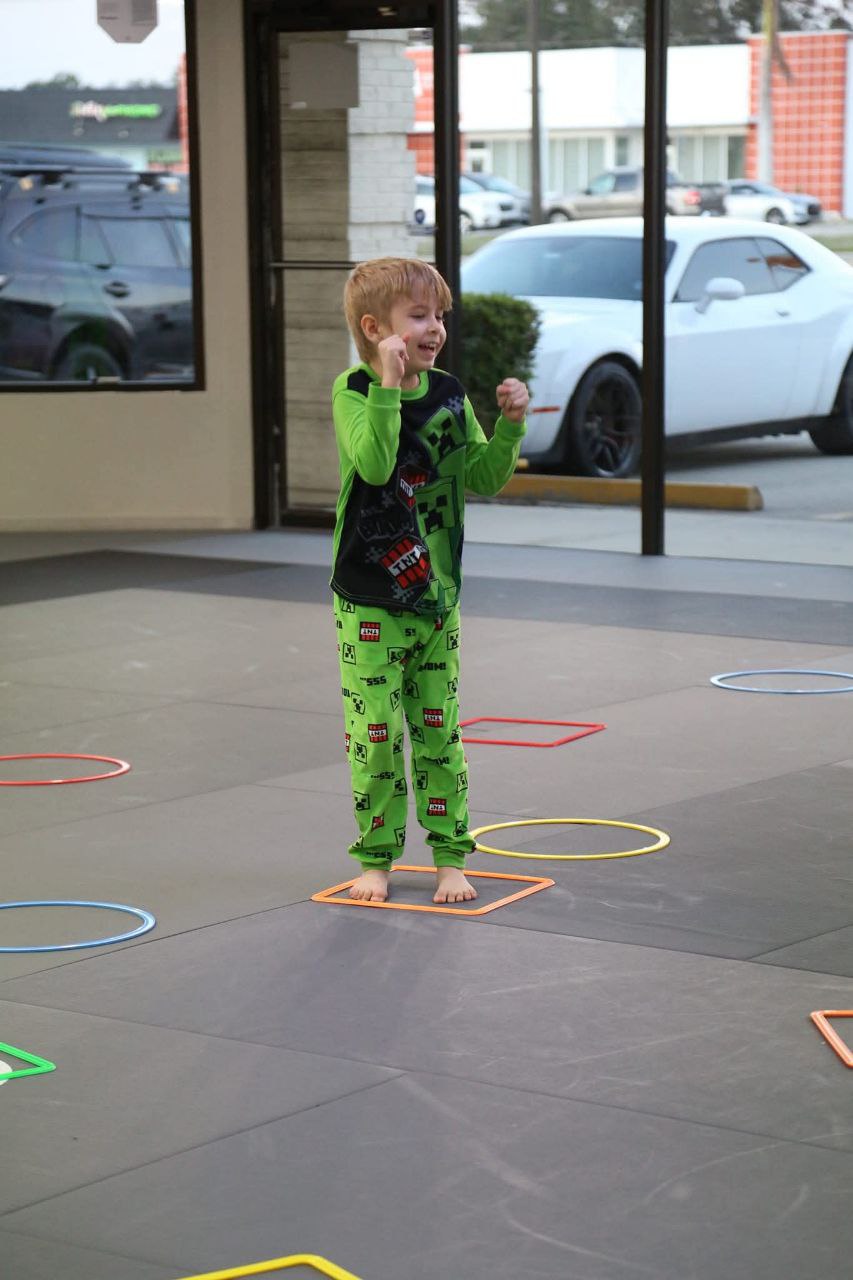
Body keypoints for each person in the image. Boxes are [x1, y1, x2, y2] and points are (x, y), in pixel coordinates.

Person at [332, 256, 528, 904]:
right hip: (369, 599)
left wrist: (509, 427)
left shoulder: (447, 393)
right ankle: (376, 860)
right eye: (418, 315)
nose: (434, 327)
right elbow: (375, 463)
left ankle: (450, 857)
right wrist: (387, 384)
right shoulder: (353, 393)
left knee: (439, 731)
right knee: (377, 735)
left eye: (439, 315)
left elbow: (481, 476)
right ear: (374, 327)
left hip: (436, 599)